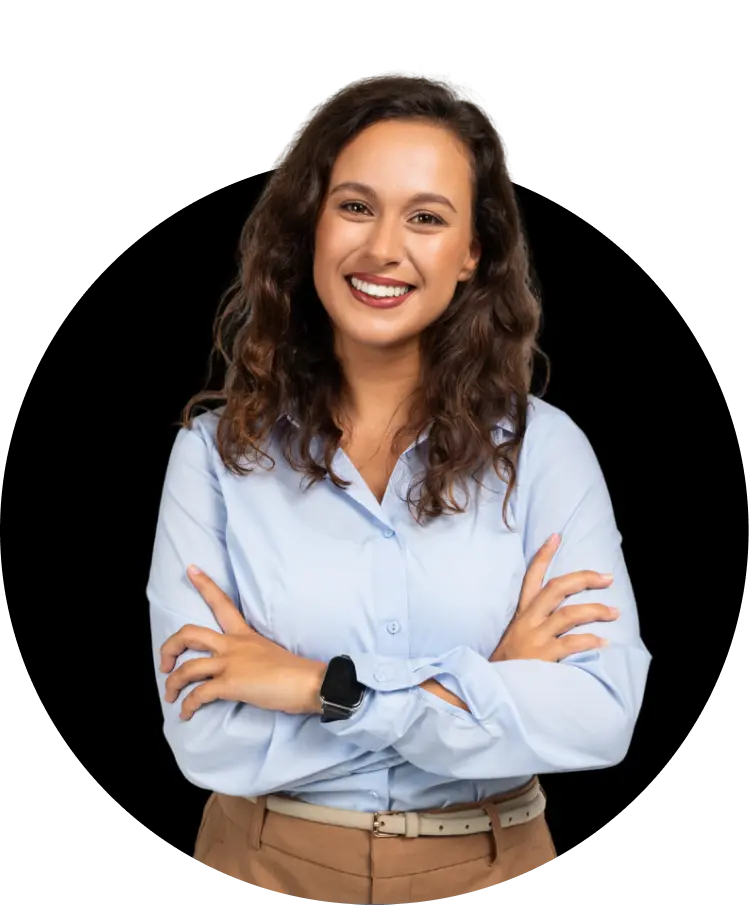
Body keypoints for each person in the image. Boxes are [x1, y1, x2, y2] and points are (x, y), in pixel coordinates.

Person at [147, 69, 651, 903]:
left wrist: (317, 687)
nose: (383, 248)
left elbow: (598, 714)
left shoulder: (545, 452)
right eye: (355, 205)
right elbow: (208, 743)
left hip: (498, 868)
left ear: (471, 253)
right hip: (260, 868)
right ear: (310, 222)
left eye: (426, 217)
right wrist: (483, 687)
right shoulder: (214, 457)